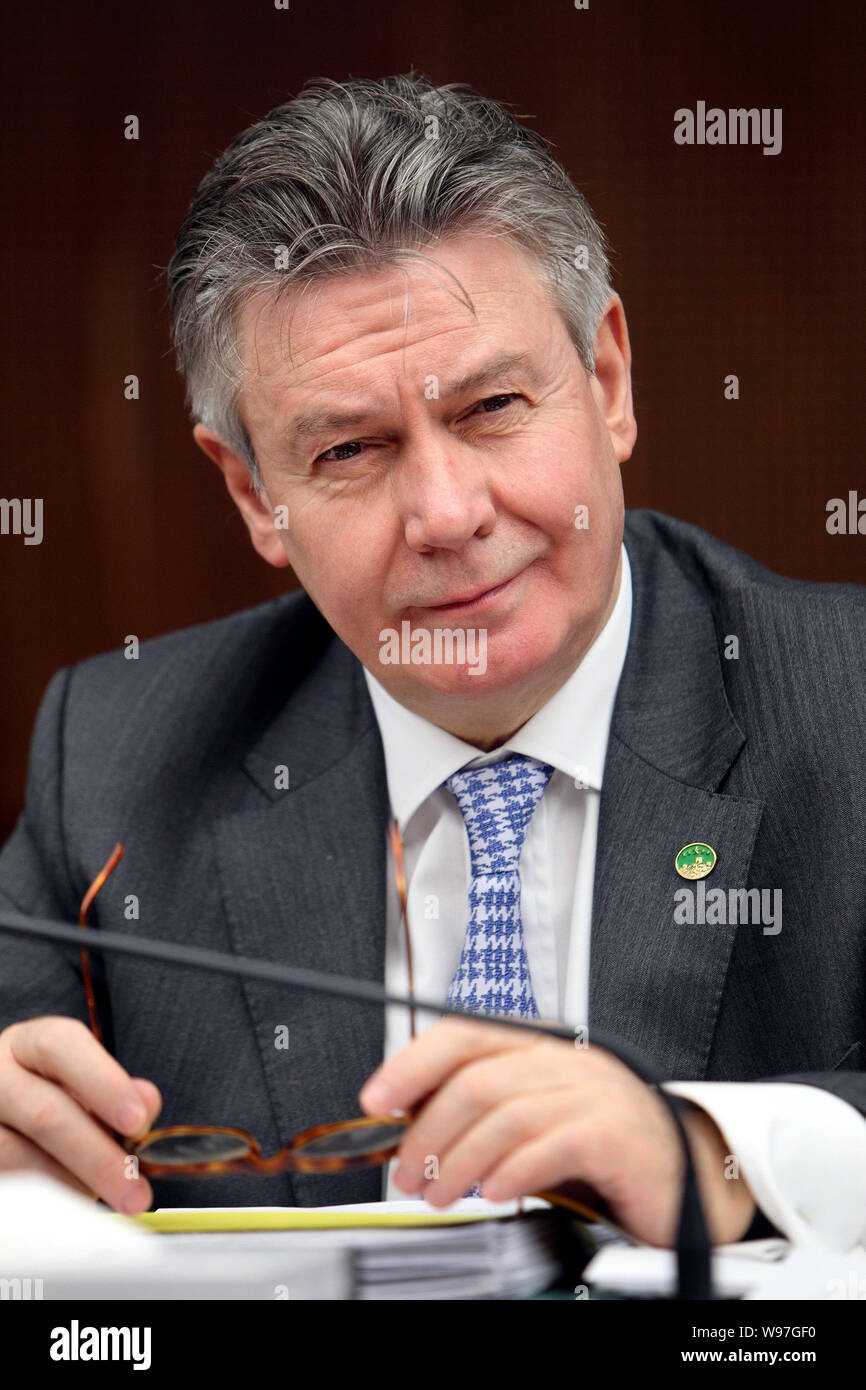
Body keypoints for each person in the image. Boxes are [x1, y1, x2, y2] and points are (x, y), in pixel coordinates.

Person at [1, 74, 864, 1251]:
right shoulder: (113, 756)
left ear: (605, 382)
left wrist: (718, 1149)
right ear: (255, 492)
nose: (446, 512)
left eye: (492, 405)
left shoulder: (844, 703)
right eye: (351, 448)